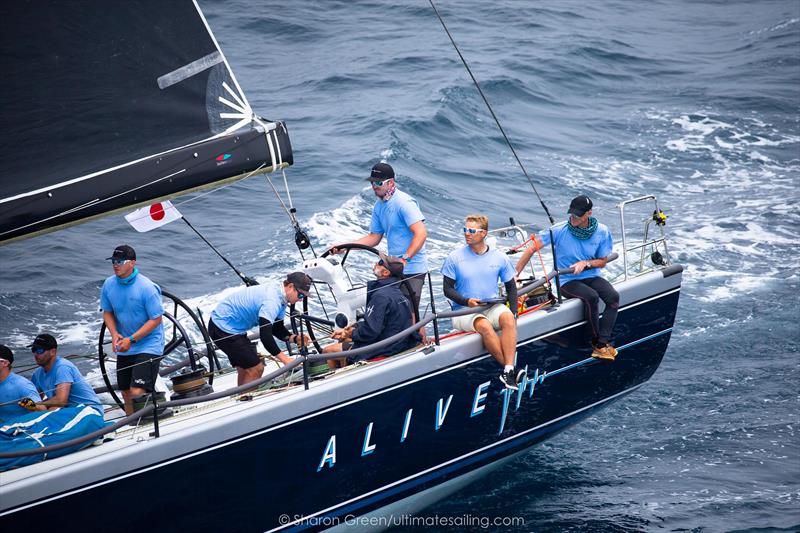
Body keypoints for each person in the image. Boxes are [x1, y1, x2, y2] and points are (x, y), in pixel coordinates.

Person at [515, 195, 619, 360]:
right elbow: (530, 249)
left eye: (578, 215)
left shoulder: (602, 231)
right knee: (591, 297)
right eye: (571, 214)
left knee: (613, 298)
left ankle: (601, 344)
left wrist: (586, 263)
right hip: (566, 280)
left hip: (591, 275)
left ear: (589, 214)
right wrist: (515, 275)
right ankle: (593, 341)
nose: (573, 218)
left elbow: (603, 261)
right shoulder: (558, 230)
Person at [333, 162, 429, 322]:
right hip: (392, 267)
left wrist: (405, 259)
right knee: (387, 308)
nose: (374, 186)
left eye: (378, 183)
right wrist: (344, 247)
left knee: (410, 314)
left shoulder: (404, 203)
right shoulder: (379, 206)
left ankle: (421, 343)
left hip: (412, 267)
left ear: (391, 182)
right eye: (372, 182)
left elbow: (421, 233)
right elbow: (374, 237)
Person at [441, 214, 524, 390]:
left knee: (509, 318)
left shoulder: (499, 257)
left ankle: (508, 370)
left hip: (490, 306)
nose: (467, 234)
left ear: (484, 233)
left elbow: (511, 287)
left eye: (472, 231)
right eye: (465, 230)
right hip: (463, 311)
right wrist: (467, 301)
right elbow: (447, 289)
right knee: (485, 326)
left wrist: (514, 311)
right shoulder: (454, 257)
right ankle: (511, 370)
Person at [208, 272, 313, 386]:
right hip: (222, 328)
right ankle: (247, 400)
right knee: (256, 368)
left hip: (230, 327)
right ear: (290, 286)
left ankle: (243, 397)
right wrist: (285, 360)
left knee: (245, 368)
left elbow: (276, 329)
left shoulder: (281, 296)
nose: (301, 300)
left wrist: (295, 338)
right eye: (300, 295)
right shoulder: (272, 301)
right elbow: (265, 336)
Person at [324, 254, 421, 368]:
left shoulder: (380, 296)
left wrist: (351, 333)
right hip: (401, 343)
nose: (376, 263)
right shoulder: (399, 294)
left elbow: (371, 331)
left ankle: (339, 379)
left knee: (327, 351)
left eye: (380, 262)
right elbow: (383, 323)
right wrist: (352, 329)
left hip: (385, 348)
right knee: (346, 338)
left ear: (386, 273)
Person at [100, 245, 165, 415]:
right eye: (113, 261)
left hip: (149, 344)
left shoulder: (147, 287)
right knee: (126, 393)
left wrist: (132, 339)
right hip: (125, 346)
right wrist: (114, 334)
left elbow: (156, 319)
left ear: (132, 263)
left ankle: (146, 424)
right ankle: (132, 425)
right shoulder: (108, 284)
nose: (115, 265)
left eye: (120, 261)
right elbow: (107, 312)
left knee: (137, 391)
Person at [29, 333, 104, 415]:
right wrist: (29, 404)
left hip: (91, 411)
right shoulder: (37, 374)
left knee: (54, 409)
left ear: (53, 352)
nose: (36, 354)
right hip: (70, 410)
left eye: (40, 350)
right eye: (34, 349)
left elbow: (61, 400)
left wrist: (36, 405)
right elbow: (34, 400)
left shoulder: (63, 367)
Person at [0, 344, 45, 422]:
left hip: (17, 431)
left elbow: (42, 410)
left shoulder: (22, 385)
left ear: (5, 363)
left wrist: (27, 403)